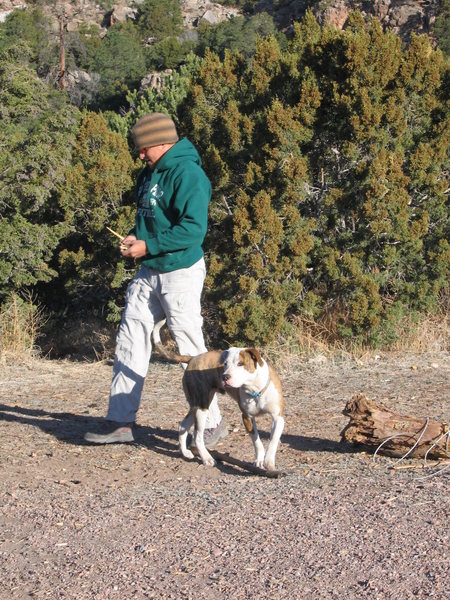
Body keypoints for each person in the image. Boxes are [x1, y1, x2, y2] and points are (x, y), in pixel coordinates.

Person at [85, 112, 227, 447]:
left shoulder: (189, 174)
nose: (139, 154)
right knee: (130, 338)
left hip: (180, 271)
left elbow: (193, 230)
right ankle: (120, 422)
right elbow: (149, 218)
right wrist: (136, 238)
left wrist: (149, 245)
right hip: (150, 270)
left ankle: (213, 423)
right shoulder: (150, 173)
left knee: (190, 344)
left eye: (143, 147)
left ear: (162, 142)